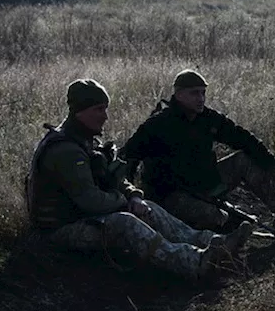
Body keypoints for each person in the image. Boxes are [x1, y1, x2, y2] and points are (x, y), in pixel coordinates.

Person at [26, 79, 254, 280]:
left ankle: (213, 243)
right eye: (98, 109)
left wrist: (134, 195)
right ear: (80, 111)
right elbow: (90, 201)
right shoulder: (66, 150)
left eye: (105, 108)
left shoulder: (85, 141)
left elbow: (113, 178)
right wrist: (124, 202)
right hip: (59, 231)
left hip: (84, 218)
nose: (105, 115)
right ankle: (196, 263)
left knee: (148, 209)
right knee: (125, 222)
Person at [119, 69, 275, 239]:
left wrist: (270, 165)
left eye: (203, 93)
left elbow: (243, 138)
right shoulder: (157, 125)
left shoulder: (208, 118)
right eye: (195, 93)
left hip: (206, 184)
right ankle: (211, 235)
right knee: (216, 217)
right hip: (172, 196)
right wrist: (132, 198)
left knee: (243, 160)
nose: (201, 99)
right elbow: (127, 158)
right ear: (178, 95)